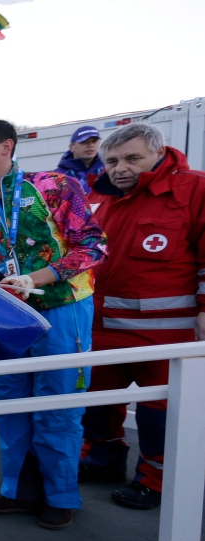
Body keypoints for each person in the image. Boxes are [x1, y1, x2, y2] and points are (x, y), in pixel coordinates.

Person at [0, 120, 107, 530]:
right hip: (9, 319)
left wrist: (38, 278)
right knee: (11, 406)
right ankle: (18, 492)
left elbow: (94, 246)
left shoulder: (54, 185)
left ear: (6, 146)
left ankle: (59, 496)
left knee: (58, 406)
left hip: (62, 308)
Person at [78, 122, 205, 510]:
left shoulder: (193, 189)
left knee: (160, 411)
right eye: (112, 160)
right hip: (102, 331)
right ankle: (104, 459)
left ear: (158, 153)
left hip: (165, 337)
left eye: (133, 158)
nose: (120, 168)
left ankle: (156, 480)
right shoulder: (97, 198)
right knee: (97, 401)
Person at [55, 126, 105, 194]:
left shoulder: (107, 171)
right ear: (72, 147)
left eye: (94, 141)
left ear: (98, 144)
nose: (90, 145)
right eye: (84, 141)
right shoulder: (58, 176)